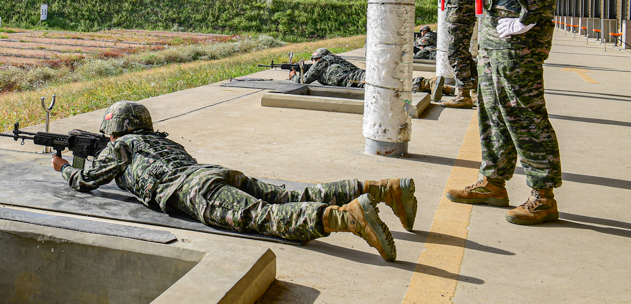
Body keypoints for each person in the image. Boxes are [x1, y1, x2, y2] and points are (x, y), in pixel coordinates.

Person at [54, 101, 416, 261]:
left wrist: (65, 167)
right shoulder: (163, 141)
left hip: (196, 190)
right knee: (287, 194)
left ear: (116, 129)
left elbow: (86, 180)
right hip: (215, 173)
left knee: (263, 217)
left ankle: (347, 217)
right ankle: (381, 189)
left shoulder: (123, 147)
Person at [445, 0, 562, 225]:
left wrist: (527, 17)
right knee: (492, 109)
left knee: (522, 111)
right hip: (498, 37)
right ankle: (493, 181)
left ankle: (543, 195)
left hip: (517, 40)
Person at [300, 48, 366, 87]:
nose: (313, 63)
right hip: (361, 75)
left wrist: (293, 75)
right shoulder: (335, 60)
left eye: (313, 60)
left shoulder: (321, 63)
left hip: (357, 81)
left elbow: (304, 81)